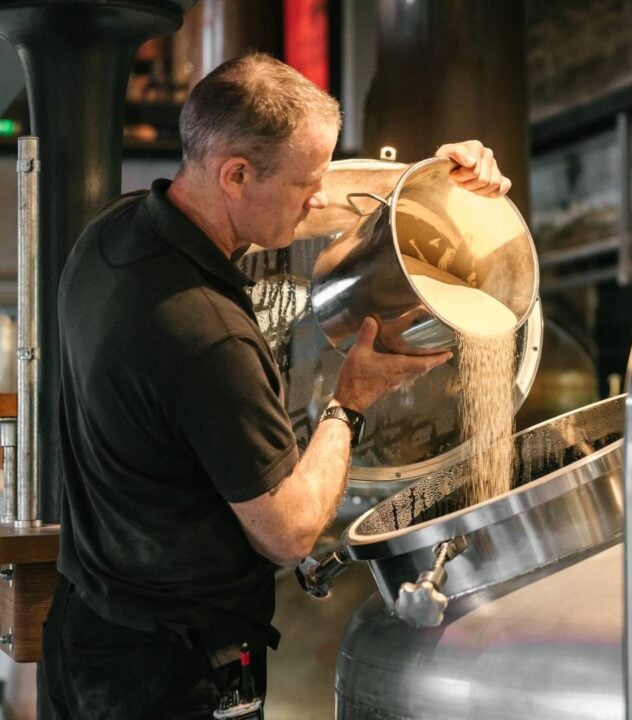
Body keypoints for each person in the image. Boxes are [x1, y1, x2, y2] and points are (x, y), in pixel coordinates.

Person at [40, 52, 512, 719]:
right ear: (235, 174)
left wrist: (425, 183)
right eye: (304, 184)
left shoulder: (113, 235)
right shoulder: (209, 339)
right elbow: (288, 533)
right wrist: (351, 402)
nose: (319, 198)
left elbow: (304, 203)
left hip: (87, 634)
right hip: (168, 679)